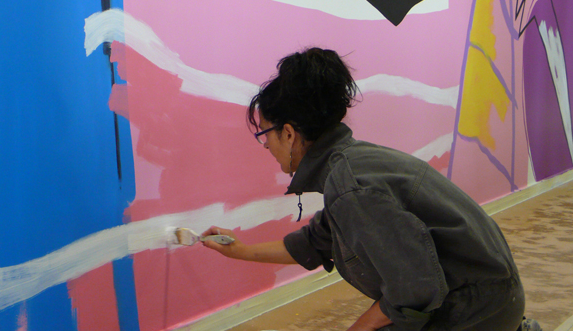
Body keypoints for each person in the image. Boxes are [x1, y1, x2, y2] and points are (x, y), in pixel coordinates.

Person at [202, 48, 541, 331]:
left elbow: (415, 290)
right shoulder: (351, 164)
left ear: (289, 134)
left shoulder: (352, 187)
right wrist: (239, 250)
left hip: (480, 309)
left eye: (265, 134)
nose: (265, 146)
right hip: (488, 294)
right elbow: (314, 243)